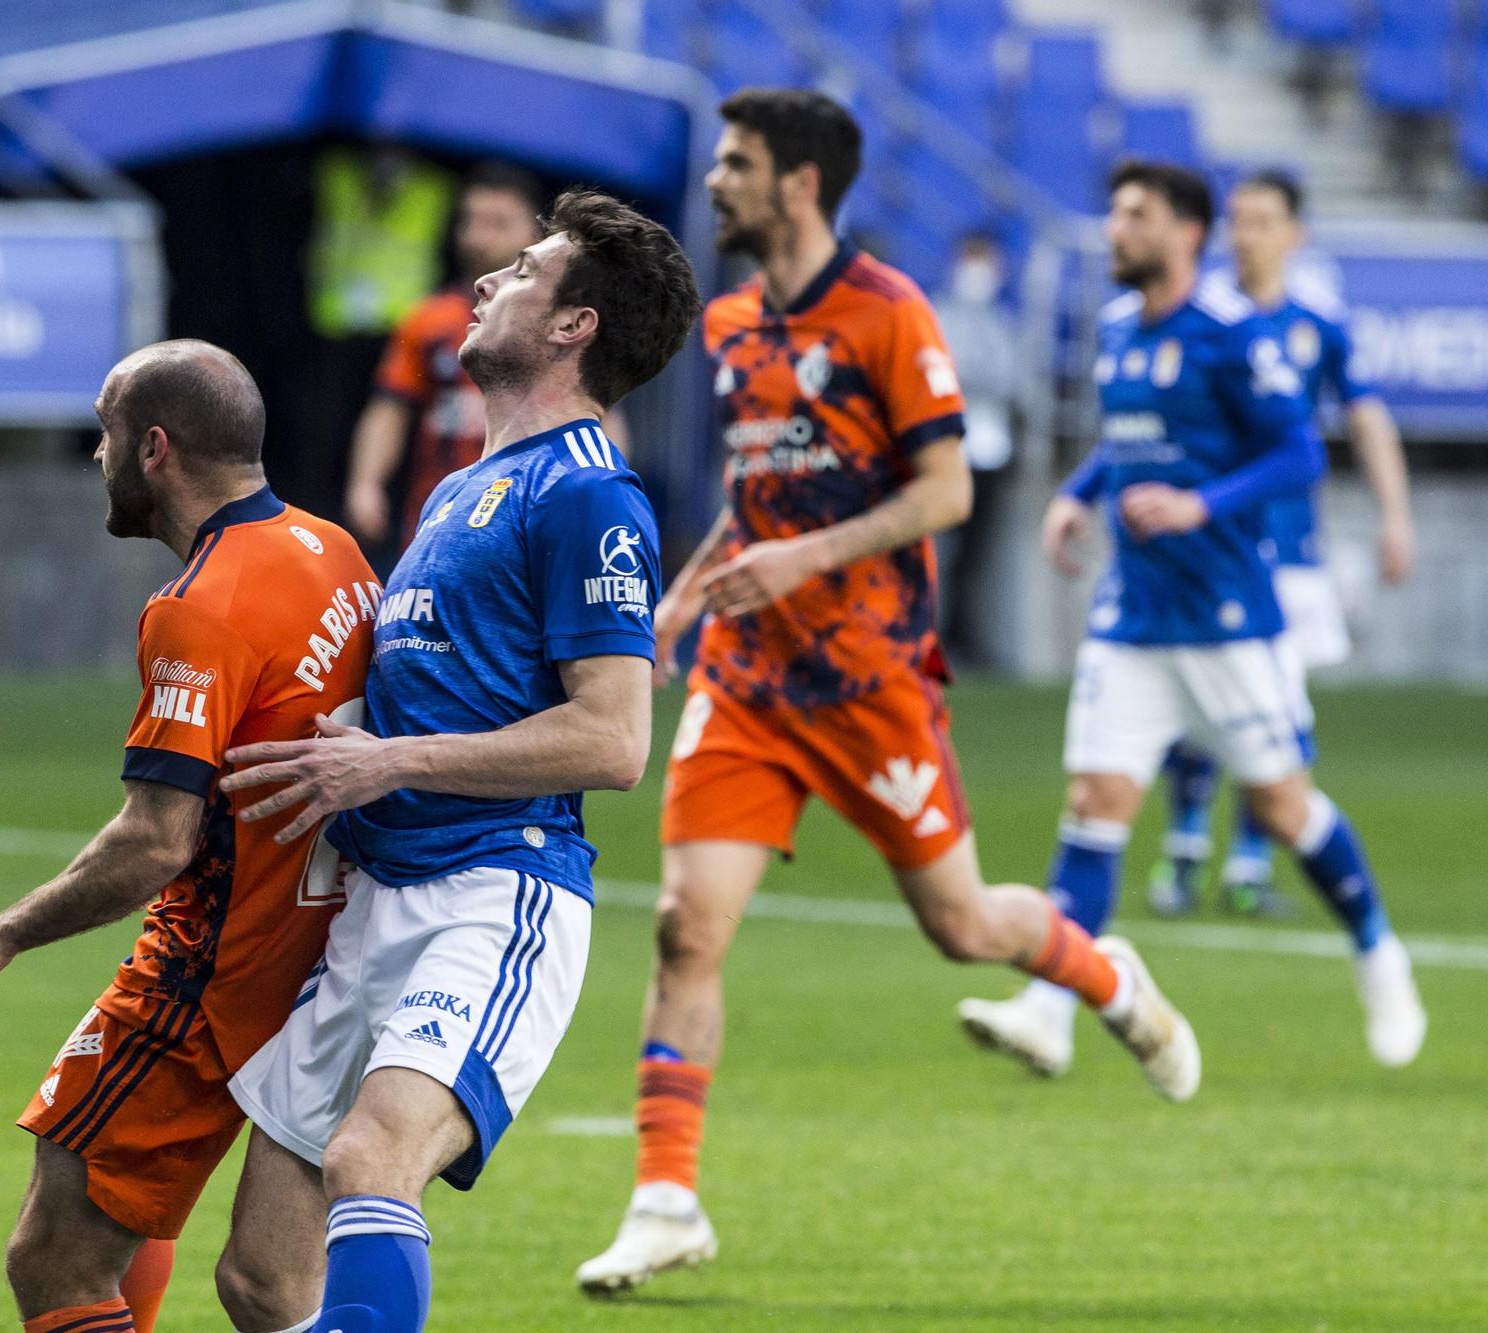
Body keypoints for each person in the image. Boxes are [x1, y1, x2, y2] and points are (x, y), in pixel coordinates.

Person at [575, 91, 1201, 1298]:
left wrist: (806, 561)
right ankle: (664, 1200)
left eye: (736, 164)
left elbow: (945, 493)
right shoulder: (739, 323)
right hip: (751, 683)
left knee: (961, 927)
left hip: (869, 683)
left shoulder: (889, 312)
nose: (714, 181)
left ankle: (1108, 978)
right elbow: (761, 501)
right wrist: (684, 597)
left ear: (798, 184)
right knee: (685, 924)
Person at [208, 189, 702, 1333]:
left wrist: (388, 763)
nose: (488, 279)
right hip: (373, 902)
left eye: (524, 269)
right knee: (259, 1275)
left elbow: (614, 739)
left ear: (574, 325)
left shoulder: (589, 493)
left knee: (372, 1154)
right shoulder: (459, 487)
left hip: (495, 891)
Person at [0, 340, 378, 1333]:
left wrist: (0, 933)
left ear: (156, 449)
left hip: (209, 981)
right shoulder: (332, 551)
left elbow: (153, 842)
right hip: (325, 968)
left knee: (54, 1251)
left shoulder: (197, 606)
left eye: (106, 430)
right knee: (266, 1289)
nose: (96, 453)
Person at [956, 162, 1426, 1085]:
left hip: (1226, 621)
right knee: (1095, 806)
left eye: (1133, 215)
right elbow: (1125, 436)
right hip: (1132, 619)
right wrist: (1077, 494)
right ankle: (1052, 1008)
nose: (1113, 230)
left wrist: (1202, 505)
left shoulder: (1232, 337)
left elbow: (1297, 452)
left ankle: (1377, 949)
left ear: (1186, 234)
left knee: (1285, 808)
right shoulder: (1121, 328)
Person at [1147, 168, 1416, 920]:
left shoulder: (1317, 326)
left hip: (1292, 556)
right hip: (1213, 546)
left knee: (1275, 717)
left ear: (1295, 234)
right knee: (1197, 707)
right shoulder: (1202, 318)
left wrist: (1396, 514)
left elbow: (1364, 419)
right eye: (1237, 219)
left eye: (1262, 220)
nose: (1245, 234)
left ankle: (1248, 865)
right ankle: (1185, 848)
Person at [343, 163, 547, 554]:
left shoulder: (554, 325)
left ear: (536, 234)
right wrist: (365, 485)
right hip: (434, 522)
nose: (477, 237)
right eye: (470, 221)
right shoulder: (428, 320)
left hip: (523, 525)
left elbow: (601, 416)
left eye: (498, 224)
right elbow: (389, 409)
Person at [931, 231, 1022, 666]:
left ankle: (965, 638)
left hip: (990, 449)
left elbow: (1015, 381)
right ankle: (936, 633)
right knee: (942, 549)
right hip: (948, 446)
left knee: (975, 554)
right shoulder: (938, 316)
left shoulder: (1002, 324)